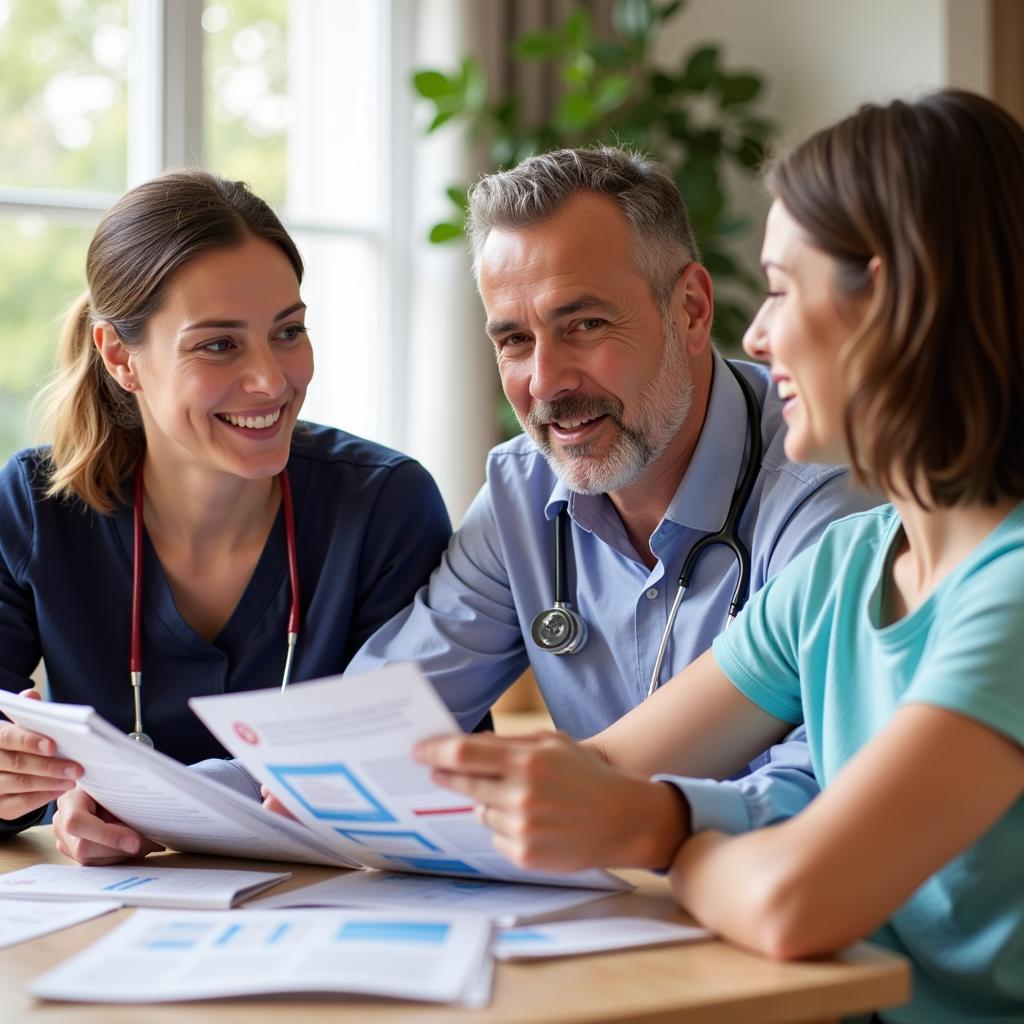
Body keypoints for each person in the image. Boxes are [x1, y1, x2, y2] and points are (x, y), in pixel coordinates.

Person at [415, 90, 1024, 1022]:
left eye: (783, 289)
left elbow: (788, 900)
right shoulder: (851, 568)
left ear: (899, 303)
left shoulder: (1012, 590)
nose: (756, 334)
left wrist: (662, 831)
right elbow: (604, 772)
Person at [348, 146, 876, 811]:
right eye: (514, 340)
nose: (545, 381)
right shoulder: (522, 493)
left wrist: (636, 823)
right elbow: (378, 726)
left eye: (585, 325)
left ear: (689, 309)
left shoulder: (825, 494)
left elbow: (836, 788)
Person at [0, 170, 452, 862]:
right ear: (121, 356)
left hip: (334, 925)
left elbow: (438, 770)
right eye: (219, 344)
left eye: (289, 332)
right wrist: (30, 786)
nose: (271, 381)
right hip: (108, 929)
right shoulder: (35, 505)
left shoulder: (385, 506)